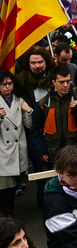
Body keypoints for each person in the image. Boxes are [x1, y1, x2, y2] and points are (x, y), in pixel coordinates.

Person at [30, 66, 77, 171]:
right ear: (54, 82)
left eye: (68, 81)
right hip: (52, 155)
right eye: (61, 82)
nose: (65, 85)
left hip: (75, 153)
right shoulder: (44, 104)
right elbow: (35, 129)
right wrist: (41, 150)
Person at [0, 72, 32, 217]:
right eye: (4, 84)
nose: (7, 87)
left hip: (17, 150)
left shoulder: (19, 101)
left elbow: (29, 126)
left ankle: (9, 216)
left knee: (12, 188)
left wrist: (29, 111)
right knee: (5, 187)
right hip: (3, 152)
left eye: (10, 83)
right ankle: (7, 216)